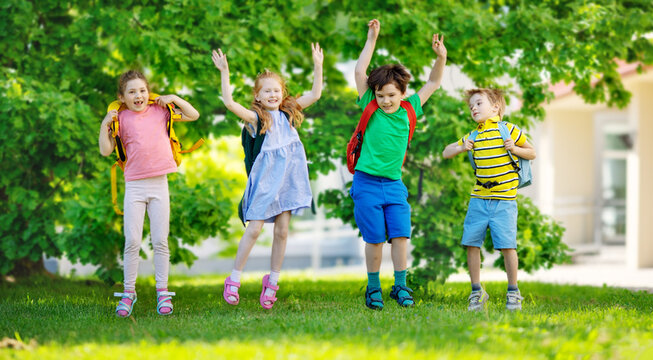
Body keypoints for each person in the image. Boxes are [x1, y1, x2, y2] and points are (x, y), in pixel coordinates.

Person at [212, 43, 324, 309]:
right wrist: (224, 72)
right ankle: (234, 278)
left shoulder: (287, 114)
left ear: (282, 93)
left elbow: (316, 94)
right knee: (254, 229)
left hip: (289, 180)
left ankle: (272, 281)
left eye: (277, 90)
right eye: (267, 91)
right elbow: (229, 103)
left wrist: (318, 65)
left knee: (283, 232)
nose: (273, 94)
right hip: (266, 182)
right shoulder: (256, 119)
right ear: (258, 96)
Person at [351, 19, 447, 309]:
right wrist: (372, 38)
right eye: (380, 96)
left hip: (394, 185)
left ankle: (401, 286)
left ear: (402, 93)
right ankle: (373, 288)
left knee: (401, 235)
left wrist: (440, 57)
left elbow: (433, 82)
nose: (385, 101)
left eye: (391, 95)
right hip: (366, 182)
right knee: (375, 239)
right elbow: (359, 71)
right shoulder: (369, 103)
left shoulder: (410, 108)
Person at [98, 70, 200, 317]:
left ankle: (162, 291)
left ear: (149, 92)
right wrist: (104, 124)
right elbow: (105, 150)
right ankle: (128, 292)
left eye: (142, 90)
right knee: (132, 241)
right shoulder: (119, 118)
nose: (138, 96)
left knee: (160, 240)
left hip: (159, 184)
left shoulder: (161, 110)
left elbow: (193, 115)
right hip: (134, 185)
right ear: (122, 97)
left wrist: (173, 97)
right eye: (132, 92)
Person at [441, 88, 536, 311]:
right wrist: (461, 147)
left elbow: (531, 152)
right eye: (471, 105)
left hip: (504, 201)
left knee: (507, 246)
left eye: (478, 103)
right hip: (479, 199)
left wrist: (515, 148)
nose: (473, 108)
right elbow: (446, 152)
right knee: (471, 243)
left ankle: (513, 292)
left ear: (495, 108)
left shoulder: (508, 130)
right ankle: (477, 292)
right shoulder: (473, 136)